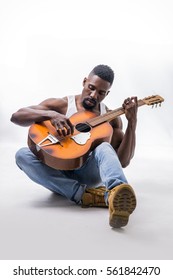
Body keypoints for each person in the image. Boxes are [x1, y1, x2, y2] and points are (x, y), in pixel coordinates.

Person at [10, 64, 138, 228]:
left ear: (107, 94)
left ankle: (116, 194)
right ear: (84, 82)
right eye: (91, 88)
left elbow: (122, 162)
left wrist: (132, 123)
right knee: (22, 155)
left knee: (105, 148)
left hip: (87, 173)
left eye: (101, 93)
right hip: (56, 170)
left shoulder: (110, 118)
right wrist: (52, 115)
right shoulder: (62, 105)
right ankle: (85, 196)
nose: (93, 95)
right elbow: (17, 116)